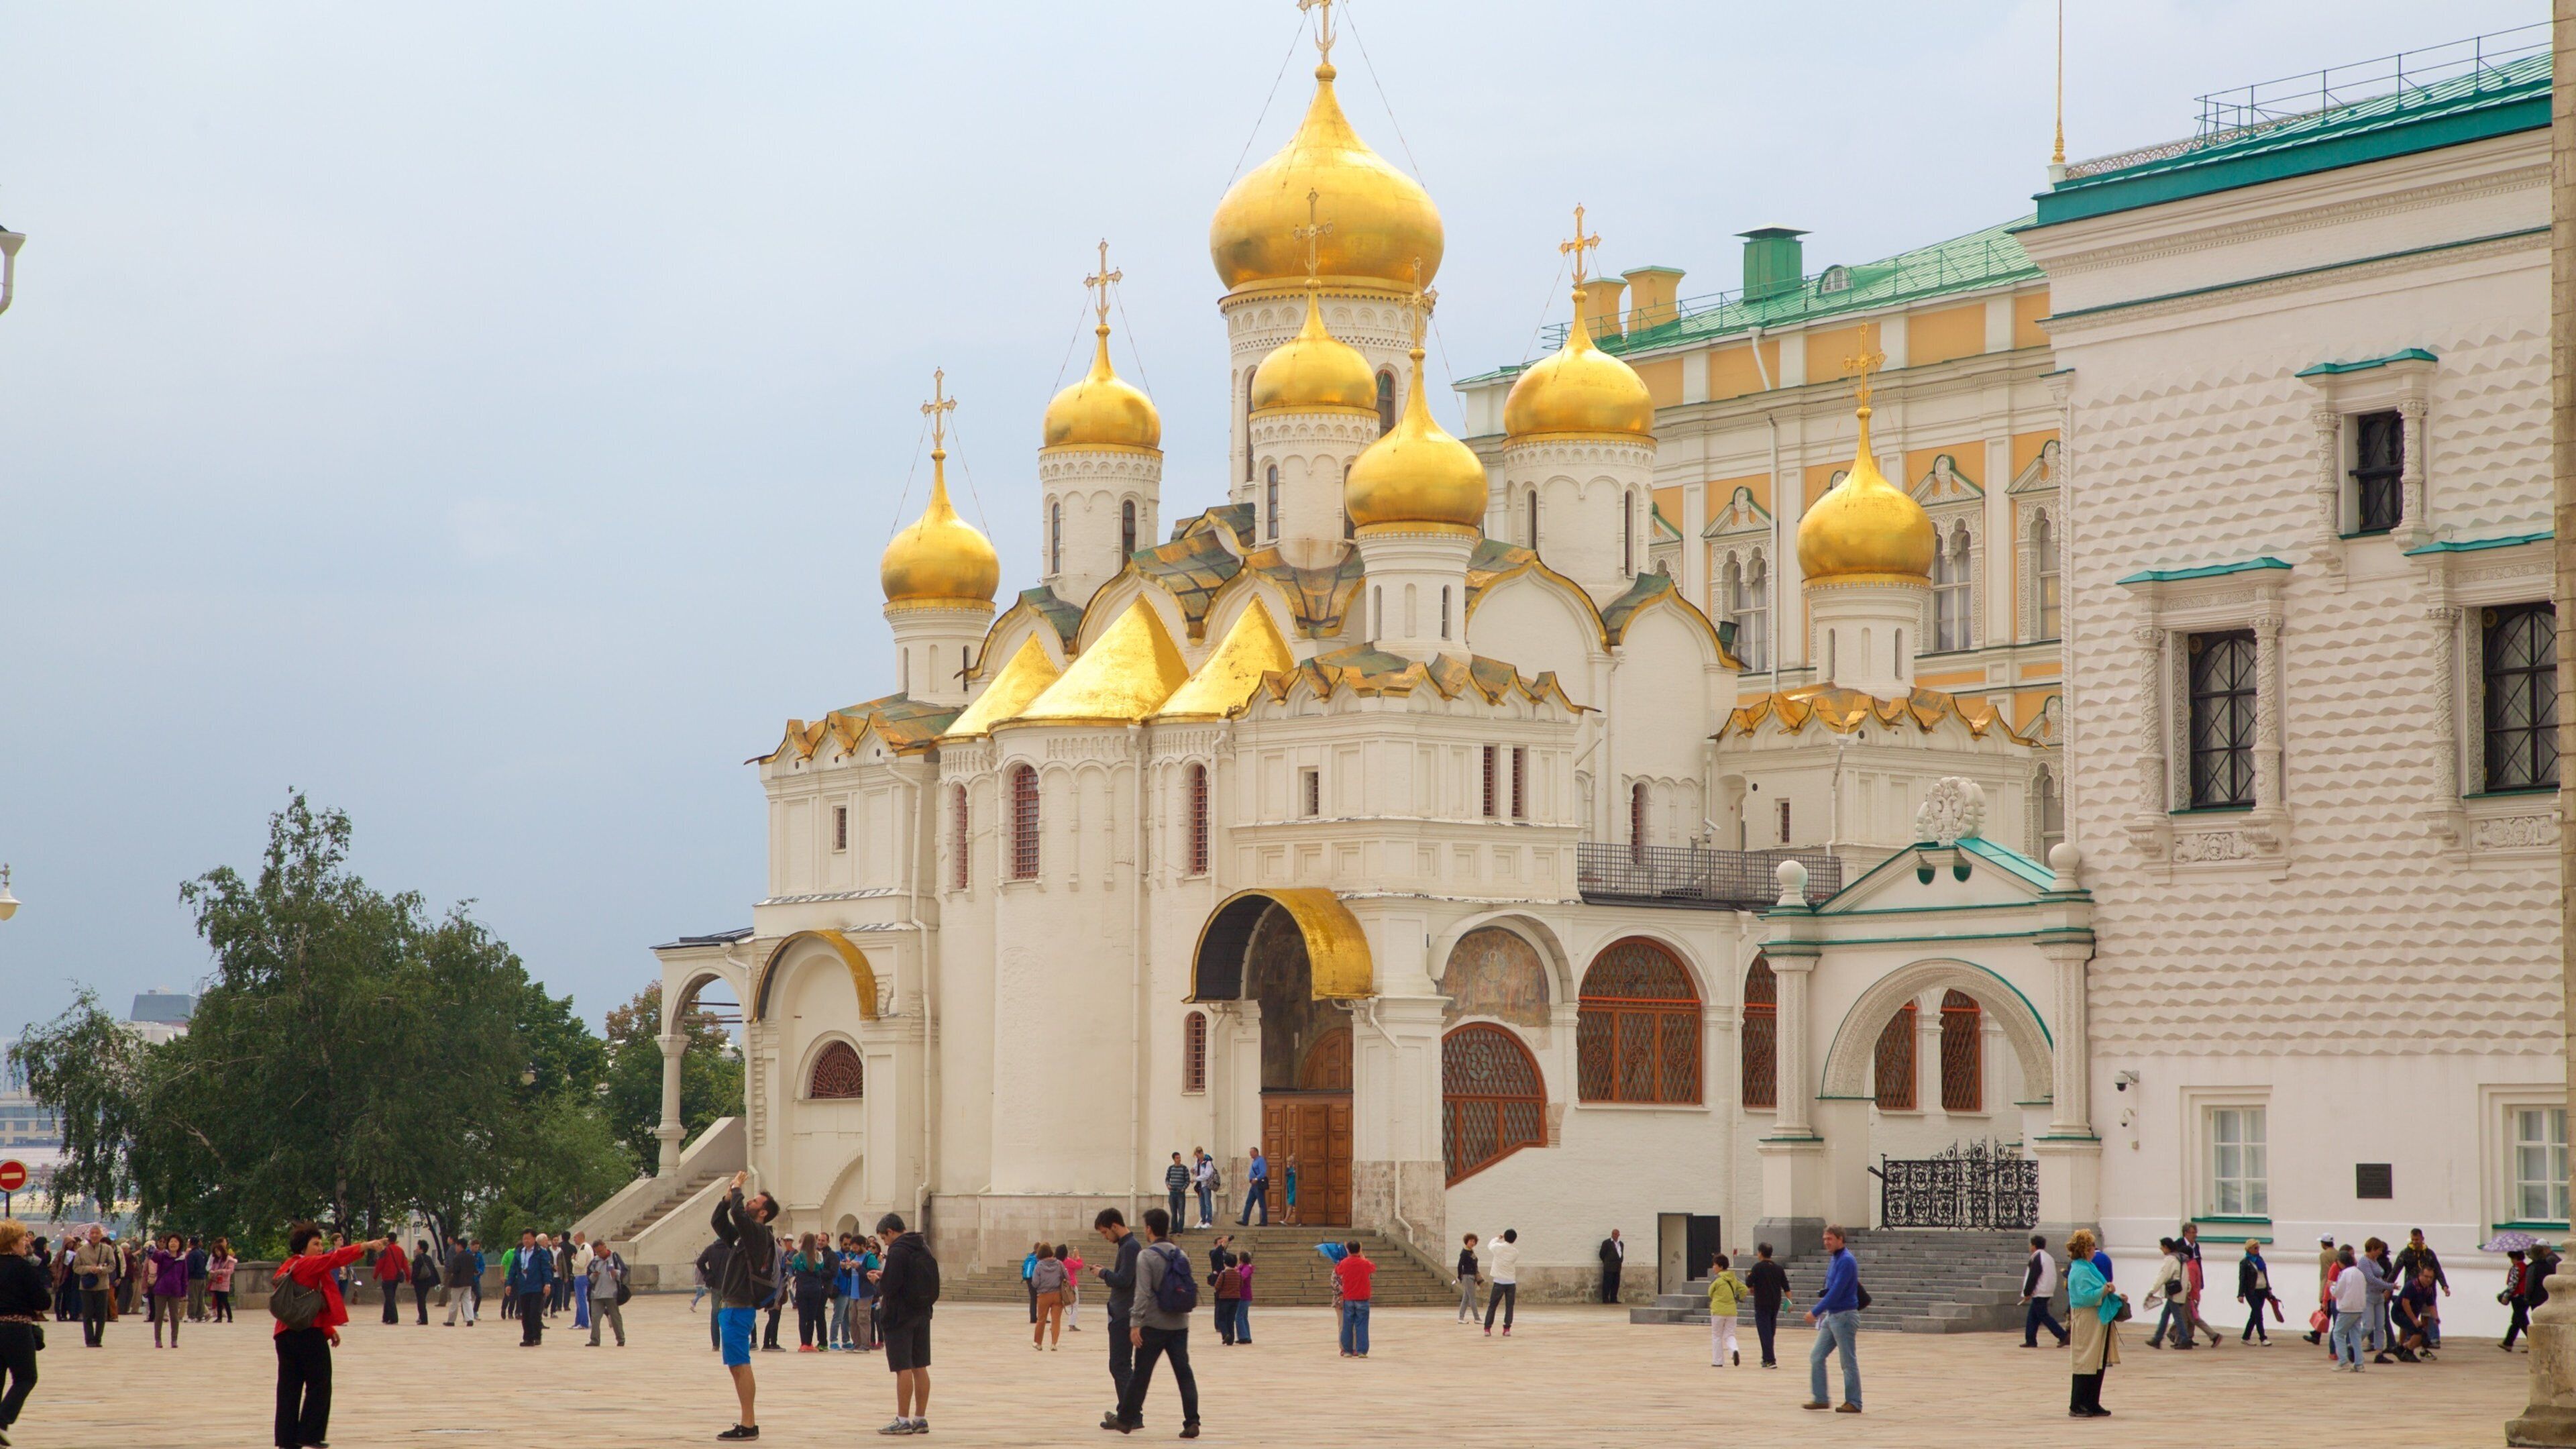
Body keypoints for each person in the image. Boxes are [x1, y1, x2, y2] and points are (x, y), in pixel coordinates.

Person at [270, 1224, 381, 1449]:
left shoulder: (290, 1265)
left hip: (285, 1334)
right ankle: (310, 1434)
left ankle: (287, 1439)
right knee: (320, 1384)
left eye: (321, 1243)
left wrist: (328, 1329)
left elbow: (306, 1304)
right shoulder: (307, 1264)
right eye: (316, 1244)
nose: (321, 1248)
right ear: (304, 1247)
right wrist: (366, 1246)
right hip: (307, 1334)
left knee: (288, 1389)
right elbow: (336, 1259)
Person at [1113, 1208, 1200, 1438]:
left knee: (1141, 1374)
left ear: (1149, 1229)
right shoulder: (1180, 1254)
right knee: (1184, 1373)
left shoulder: (1147, 1256)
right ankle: (1192, 1421)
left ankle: (1125, 1419)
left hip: (1153, 1325)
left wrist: (1135, 1324)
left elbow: (1142, 1294)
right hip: (1180, 1324)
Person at [710, 1169, 779, 1440]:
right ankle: (746, 1421)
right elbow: (719, 1222)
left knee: (741, 1363)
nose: (748, 1202)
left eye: (754, 1202)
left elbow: (739, 1215)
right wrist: (727, 1199)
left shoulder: (758, 1233)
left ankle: (749, 1424)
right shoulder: (744, 1237)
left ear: (763, 1213)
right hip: (732, 1306)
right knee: (736, 1365)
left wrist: (737, 1188)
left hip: (740, 1307)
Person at [871, 1211, 937, 1437]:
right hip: (922, 1313)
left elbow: (890, 1287)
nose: (885, 1242)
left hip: (900, 1317)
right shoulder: (922, 1246)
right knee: (920, 1365)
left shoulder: (898, 1251)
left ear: (890, 1232)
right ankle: (920, 1418)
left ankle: (902, 1419)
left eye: (884, 1238)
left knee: (903, 1368)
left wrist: (879, 1280)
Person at [1803, 1224, 1862, 1414]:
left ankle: (1854, 1402)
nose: (1826, 1242)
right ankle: (1820, 1398)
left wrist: (1816, 1311)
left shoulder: (1846, 1260)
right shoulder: (1836, 1258)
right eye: (1824, 1239)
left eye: (1830, 1239)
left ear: (1840, 1239)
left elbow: (1837, 1291)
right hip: (1833, 1315)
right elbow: (1831, 1287)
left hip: (1844, 1315)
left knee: (1847, 1361)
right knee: (1816, 1356)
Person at [0, 1220, 49, 1444]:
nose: (26, 1242)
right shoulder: (22, 1267)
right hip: (16, 1328)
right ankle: (2, 1419)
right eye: (22, 1239)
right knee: (26, 1377)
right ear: (11, 1243)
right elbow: (43, 1300)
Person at [1094, 1208, 1142, 1432]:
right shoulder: (1127, 1246)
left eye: (1105, 1233)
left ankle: (1131, 1415)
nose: (1105, 1238)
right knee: (1120, 1365)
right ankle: (1128, 1412)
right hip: (1121, 1312)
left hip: (1124, 1314)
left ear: (1115, 1226)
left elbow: (1124, 1280)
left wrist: (1103, 1273)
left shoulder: (1131, 1247)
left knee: (1120, 1365)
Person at [2065, 1228, 2121, 1418]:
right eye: (2091, 1246)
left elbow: (2098, 1288)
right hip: (2086, 1320)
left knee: (2097, 1360)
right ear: (2084, 1249)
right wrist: (2105, 1290)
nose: (2093, 1249)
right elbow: (2085, 1297)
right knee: (2085, 1360)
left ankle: (2092, 1402)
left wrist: (2114, 1294)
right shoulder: (2079, 1270)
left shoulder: (2089, 1267)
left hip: (2096, 1320)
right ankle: (2078, 1403)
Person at [2393, 1228, 2450, 1348]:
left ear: (2422, 1239)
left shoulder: (2429, 1254)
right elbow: (2396, 1270)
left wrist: (2444, 1286)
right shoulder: (2406, 1253)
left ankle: (2431, 1338)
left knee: (2428, 1314)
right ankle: (2407, 1340)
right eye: (2413, 1239)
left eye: (2417, 1239)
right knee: (2409, 1315)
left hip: (2428, 1291)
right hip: (2412, 1292)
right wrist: (2388, 1287)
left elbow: (2438, 1271)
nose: (2415, 1242)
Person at [2176, 1221, 2222, 1348]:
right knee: (2186, 1313)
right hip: (2185, 1284)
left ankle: (2210, 1335)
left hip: (2191, 1284)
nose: (2195, 1235)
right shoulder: (2179, 1244)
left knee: (2189, 1314)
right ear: (2186, 1233)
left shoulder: (2195, 1247)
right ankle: (2183, 1337)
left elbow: (2198, 1266)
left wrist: (2200, 1282)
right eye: (2193, 1232)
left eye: (2196, 1232)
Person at [505, 1228, 553, 1346]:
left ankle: (536, 1336)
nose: (525, 1241)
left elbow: (546, 1269)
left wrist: (547, 1283)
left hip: (537, 1287)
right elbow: (513, 1270)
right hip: (523, 1286)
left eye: (528, 1238)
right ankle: (528, 1338)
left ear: (534, 1239)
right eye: (524, 1239)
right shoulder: (519, 1253)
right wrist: (509, 1284)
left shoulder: (540, 1252)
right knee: (525, 1313)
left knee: (534, 1313)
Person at [1745, 1243, 1790, 1368]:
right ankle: (1766, 1358)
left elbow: (1749, 1282)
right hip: (1775, 1303)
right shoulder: (1779, 1269)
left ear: (1760, 1253)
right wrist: (1789, 1303)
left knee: (1764, 1332)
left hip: (1761, 1304)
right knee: (1770, 1331)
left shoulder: (1757, 1268)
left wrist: (1753, 1287)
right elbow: (1786, 1286)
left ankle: (1770, 1360)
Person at [2021, 1234, 2068, 1348]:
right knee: (2033, 1315)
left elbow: (2033, 1276)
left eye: (2031, 1245)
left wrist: (2027, 1292)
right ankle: (2030, 1339)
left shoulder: (2037, 1258)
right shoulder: (2048, 1257)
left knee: (2044, 1316)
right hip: (2046, 1290)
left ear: (2034, 1246)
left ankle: (2063, 1336)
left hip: (2040, 1291)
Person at [790, 1234, 834, 1351]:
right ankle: (809, 1344)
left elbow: (794, 1269)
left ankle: (803, 1343)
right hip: (815, 1289)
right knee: (811, 1317)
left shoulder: (797, 1257)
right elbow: (820, 1268)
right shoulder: (818, 1255)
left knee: (802, 1317)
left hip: (801, 1289)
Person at [2328, 1244, 2369, 1370]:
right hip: (2359, 1307)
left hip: (2347, 1308)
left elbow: (2338, 1292)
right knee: (2355, 1335)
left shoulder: (2344, 1273)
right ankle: (2359, 1363)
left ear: (2341, 1262)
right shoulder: (2359, 1273)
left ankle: (2343, 1360)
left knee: (2338, 1333)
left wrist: (2331, 1286)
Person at [2143, 1238, 2186, 1350]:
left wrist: (2152, 1291)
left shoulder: (2171, 1259)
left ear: (2167, 1247)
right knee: (2165, 1315)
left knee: (2177, 1317)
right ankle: (2157, 1339)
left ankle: (2184, 1339)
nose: (2161, 1249)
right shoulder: (2181, 1258)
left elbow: (2163, 1276)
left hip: (2173, 1292)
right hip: (2179, 1291)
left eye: (2162, 1246)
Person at [1705, 1254, 1747, 1367]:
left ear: (1721, 1266)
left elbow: (1710, 1293)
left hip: (1718, 1310)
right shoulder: (1733, 1278)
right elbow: (1744, 1289)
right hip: (1732, 1311)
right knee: (1730, 1335)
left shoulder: (1717, 1279)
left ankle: (1717, 1361)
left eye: (1715, 1265)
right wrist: (1739, 1298)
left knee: (1717, 1336)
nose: (1713, 1267)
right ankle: (1734, 1350)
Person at [146, 1233, 186, 1347]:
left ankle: (174, 1340)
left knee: (174, 1317)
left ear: (180, 1244)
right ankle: (158, 1340)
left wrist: (183, 1292)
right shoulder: (163, 1255)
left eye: (176, 1242)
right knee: (159, 1316)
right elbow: (154, 1257)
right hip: (161, 1290)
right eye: (171, 1241)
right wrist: (150, 1248)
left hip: (175, 1291)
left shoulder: (182, 1259)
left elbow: (184, 1277)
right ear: (168, 1244)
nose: (173, 1244)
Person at [1334, 1241, 1373, 1358]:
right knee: (1362, 1324)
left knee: (1347, 1325)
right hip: (1362, 1297)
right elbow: (1372, 1268)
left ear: (1349, 1250)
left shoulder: (1344, 1263)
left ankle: (1347, 1350)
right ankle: (1362, 1351)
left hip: (1349, 1297)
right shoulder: (1364, 1263)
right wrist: (1362, 1256)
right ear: (1359, 1250)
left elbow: (1338, 1271)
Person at [2237, 1239, 2279, 1344]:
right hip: (2252, 1291)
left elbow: (2265, 1276)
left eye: (2258, 1248)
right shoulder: (2245, 1263)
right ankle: (2263, 1338)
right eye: (2255, 1248)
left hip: (2262, 1290)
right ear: (2249, 1249)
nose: (2257, 1250)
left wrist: (2269, 1289)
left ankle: (2246, 1337)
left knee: (2254, 1315)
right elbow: (2242, 1279)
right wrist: (2240, 1294)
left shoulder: (2260, 1259)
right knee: (2258, 1314)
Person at [588, 1238, 627, 1348]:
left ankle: (621, 1339)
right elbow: (589, 1276)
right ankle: (595, 1340)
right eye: (597, 1252)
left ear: (605, 1247)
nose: (599, 1254)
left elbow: (624, 1270)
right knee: (595, 1318)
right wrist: (594, 1276)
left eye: (601, 1251)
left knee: (615, 1317)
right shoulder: (595, 1261)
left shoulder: (614, 1257)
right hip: (597, 1294)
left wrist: (615, 1273)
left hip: (611, 1293)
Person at [2394, 1267, 2438, 1362]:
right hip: (2399, 1313)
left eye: (2431, 1277)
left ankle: (2401, 1349)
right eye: (2426, 1277)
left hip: (2410, 1316)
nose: (2429, 1279)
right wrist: (2414, 1320)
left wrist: (2436, 1318)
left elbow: (2431, 1305)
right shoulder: (2412, 1286)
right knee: (2419, 1333)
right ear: (2420, 1275)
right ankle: (2409, 1352)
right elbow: (2405, 1303)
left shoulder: (2428, 1290)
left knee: (2425, 1339)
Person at [1483, 1228, 1519, 1336]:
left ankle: (1487, 1328)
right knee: (1509, 1306)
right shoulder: (1515, 1252)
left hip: (1499, 1281)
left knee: (1492, 1306)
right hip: (1511, 1282)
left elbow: (1490, 1245)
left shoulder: (1497, 1248)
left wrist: (1498, 1238)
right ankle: (1507, 1329)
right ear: (1514, 1240)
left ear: (1505, 1237)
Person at [1032, 1242, 1068, 1350]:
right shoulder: (1059, 1264)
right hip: (1057, 1294)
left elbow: (1035, 1282)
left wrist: (1040, 1287)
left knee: (1041, 1319)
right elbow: (1067, 1277)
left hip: (1043, 1295)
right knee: (1056, 1320)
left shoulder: (1039, 1265)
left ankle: (1038, 1343)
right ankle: (1054, 1344)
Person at [371, 1235, 409, 1327]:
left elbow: (380, 1264)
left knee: (390, 1298)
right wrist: (408, 1276)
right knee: (390, 1297)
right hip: (396, 1278)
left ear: (387, 1240)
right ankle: (386, 1317)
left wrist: (375, 1276)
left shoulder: (385, 1251)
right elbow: (405, 1264)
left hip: (387, 1278)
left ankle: (394, 1318)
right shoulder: (400, 1250)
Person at [443, 1238, 480, 1327]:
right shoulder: (471, 1256)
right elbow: (475, 1270)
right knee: (467, 1300)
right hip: (469, 1283)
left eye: (456, 1246)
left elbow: (455, 1270)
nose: (456, 1248)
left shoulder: (457, 1257)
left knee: (454, 1302)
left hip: (458, 1283)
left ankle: (451, 1320)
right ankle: (470, 1319)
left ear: (460, 1246)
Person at [2310, 1234, 2339, 1346]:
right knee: (2326, 1312)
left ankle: (2317, 1334)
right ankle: (2316, 1333)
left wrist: (2323, 1292)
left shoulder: (2324, 1255)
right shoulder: (2337, 1253)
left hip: (2329, 1285)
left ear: (2323, 1243)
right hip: (2337, 1285)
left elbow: (2325, 1274)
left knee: (2325, 1311)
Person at [2503, 1249, 2532, 1350]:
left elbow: (2513, 1284)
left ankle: (2533, 1341)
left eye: (2512, 1258)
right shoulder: (2526, 1267)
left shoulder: (2516, 1268)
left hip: (2517, 1297)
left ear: (2515, 1258)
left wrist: (2506, 1296)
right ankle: (2508, 1342)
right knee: (2516, 1321)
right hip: (2525, 1296)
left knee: (2522, 1321)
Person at [405, 1238, 438, 1325]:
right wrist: (437, 1282)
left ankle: (424, 1319)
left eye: (418, 1247)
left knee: (421, 1301)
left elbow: (416, 1272)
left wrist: (412, 1281)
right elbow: (433, 1270)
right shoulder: (429, 1258)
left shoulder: (418, 1258)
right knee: (423, 1300)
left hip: (420, 1283)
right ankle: (422, 1317)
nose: (416, 1249)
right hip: (428, 1282)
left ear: (421, 1249)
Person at [1211, 1254, 1242, 1346]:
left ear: (1225, 1263)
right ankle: (1231, 1339)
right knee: (1231, 1319)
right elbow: (1241, 1285)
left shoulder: (1224, 1274)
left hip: (1224, 1299)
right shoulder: (1238, 1274)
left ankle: (1225, 1334)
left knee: (1221, 1319)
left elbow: (1217, 1286)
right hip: (1236, 1299)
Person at [209, 1240, 239, 1324]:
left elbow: (230, 1271)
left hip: (224, 1281)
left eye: (219, 1251)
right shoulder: (216, 1260)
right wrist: (212, 1272)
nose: (218, 1253)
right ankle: (219, 1317)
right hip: (216, 1281)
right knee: (218, 1299)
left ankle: (230, 1317)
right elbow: (212, 1268)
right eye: (216, 1251)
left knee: (225, 1300)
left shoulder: (229, 1260)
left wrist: (221, 1271)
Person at [1238, 1146, 1269, 1226]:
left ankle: (1264, 1222)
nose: (1250, 1154)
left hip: (1258, 1184)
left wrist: (1256, 1179)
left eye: (1251, 1153)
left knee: (1262, 1203)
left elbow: (1263, 1172)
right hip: (1253, 1185)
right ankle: (1245, 1220)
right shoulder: (1255, 1161)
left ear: (1256, 1152)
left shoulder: (1261, 1160)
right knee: (1249, 1202)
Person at [1454, 1234, 1481, 1324]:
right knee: (1472, 1298)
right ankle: (1477, 1318)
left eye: (1474, 1241)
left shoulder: (1471, 1251)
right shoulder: (1464, 1252)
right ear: (1467, 1241)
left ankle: (1461, 1318)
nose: (1472, 1243)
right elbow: (1459, 1265)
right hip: (1467, 1276)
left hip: (1472, 1276)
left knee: (1466, 1298)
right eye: (1471, 1241)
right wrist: (1459, 1276)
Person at [1165, 1154, 1191, 1236]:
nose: (1179, 1159)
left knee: (1181, 1212)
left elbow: (1188, 1180)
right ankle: (1174, 1229)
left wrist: (1184, 1188)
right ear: (1174, 1159)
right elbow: (1167, 1179)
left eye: (1180, 1157)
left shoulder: (1184, 1168)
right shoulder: (1170, 1168)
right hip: (1172, 1193)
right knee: (1173, 1212)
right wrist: (1168, 1185)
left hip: (1180, 1193)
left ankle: (1180, 1230)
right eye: (1177, 1158)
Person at [184, 1236, 210, 1324]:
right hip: (202, 1277)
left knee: (193, 1298)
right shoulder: (203, 1253)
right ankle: (201, 1316)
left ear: (191, 1243)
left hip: (194, 1278)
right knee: (200, 1298)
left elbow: (189, 1267)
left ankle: (192, 1316)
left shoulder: (192, 1254)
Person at [1193, 1150, 1218, 1230]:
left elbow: (1207, 1175)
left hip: (1206, 1186)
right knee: (1202, 1204)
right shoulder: (1198, 1162)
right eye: (1196, 1156)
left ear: (1201, 1153)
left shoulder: (1208, 1162)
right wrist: (1193, 1170)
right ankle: (1203, 1220)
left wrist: (1196, 1179)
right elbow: (1195, 1169)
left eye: (1198, 1155)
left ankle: (1209, 1221)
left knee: (1207, 1203)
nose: (1197, 1158)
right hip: (1200, 1186)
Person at [1232, 1250, 1254, 1346]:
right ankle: (1247, 1336)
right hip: (1243, 1295)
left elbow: (1242, 1277)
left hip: (1244, 1295)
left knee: (1239, 1316)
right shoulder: (1242, 1267)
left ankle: (1243, 1337)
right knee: (1244, 1316)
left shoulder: (1247, 1268)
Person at [1598, 1228, 1625, 1304]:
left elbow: (1620, 1253)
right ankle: (1605, 1299)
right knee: (1607, 1284)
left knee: (1616, 1284)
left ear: (1619, 1235)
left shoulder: (1621, 1244)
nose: (1615, 1235)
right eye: (1613, 1234)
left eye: (1616, 1234)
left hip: (1617, 1267)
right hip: (1609, 1267)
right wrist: (1607, 1262)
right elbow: (1602, 1254)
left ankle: (1614, 1298)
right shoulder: (1606, 1243)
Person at [1283, 1158, 1300, 1226]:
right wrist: (1291, 1170)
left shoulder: (1297, 1168)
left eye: (1290, 1161)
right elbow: (1286, 1174)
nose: (1288, 1163)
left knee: (1290, 1204)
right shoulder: (1289, 1169)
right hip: (1290, 1189)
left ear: (1293, 1162)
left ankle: (1285, 1220)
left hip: (1296, 1189)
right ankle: (1299, 1222)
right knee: (1294, 1205)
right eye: (1288, 1161)